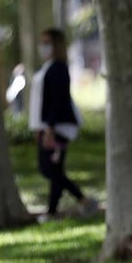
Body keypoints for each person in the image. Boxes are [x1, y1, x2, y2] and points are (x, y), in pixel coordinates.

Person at [29, 28, 97, 222]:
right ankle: (63, 207)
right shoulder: (47, 67)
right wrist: (38, 127)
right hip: (46, 127)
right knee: (53, 170)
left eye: (47, 43)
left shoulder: (59, 68)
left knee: (51, 169)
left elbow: (58, 101)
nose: (43, 47)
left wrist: (49, 127)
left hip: (57, 128)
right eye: (42, 43)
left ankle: (79, 202)